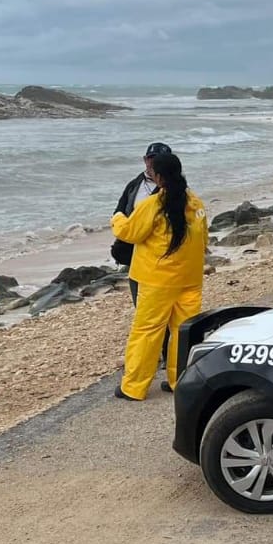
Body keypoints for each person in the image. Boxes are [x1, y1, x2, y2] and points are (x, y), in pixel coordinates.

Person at [110, 151, 207, 401]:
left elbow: (129, 232)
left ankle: (133, 387)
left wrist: (118, 217)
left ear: (159, 177)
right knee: (184, 331)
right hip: (190, 278)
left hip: (157, 280)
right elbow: (203, 239)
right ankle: (180, 381)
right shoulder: (196, 203)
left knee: (147, 331)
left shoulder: (153, 205)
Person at [112, 141, 173, 374]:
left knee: (161, 313)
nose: (153, 163)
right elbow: (119, 210)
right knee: (143, 311)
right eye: (151, 158)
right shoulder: (135, 184)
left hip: (161, 260)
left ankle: (168, 357)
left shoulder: (174, 192)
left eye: (158, 159)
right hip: (136, 257)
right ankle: (154, 355)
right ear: (145, 160)